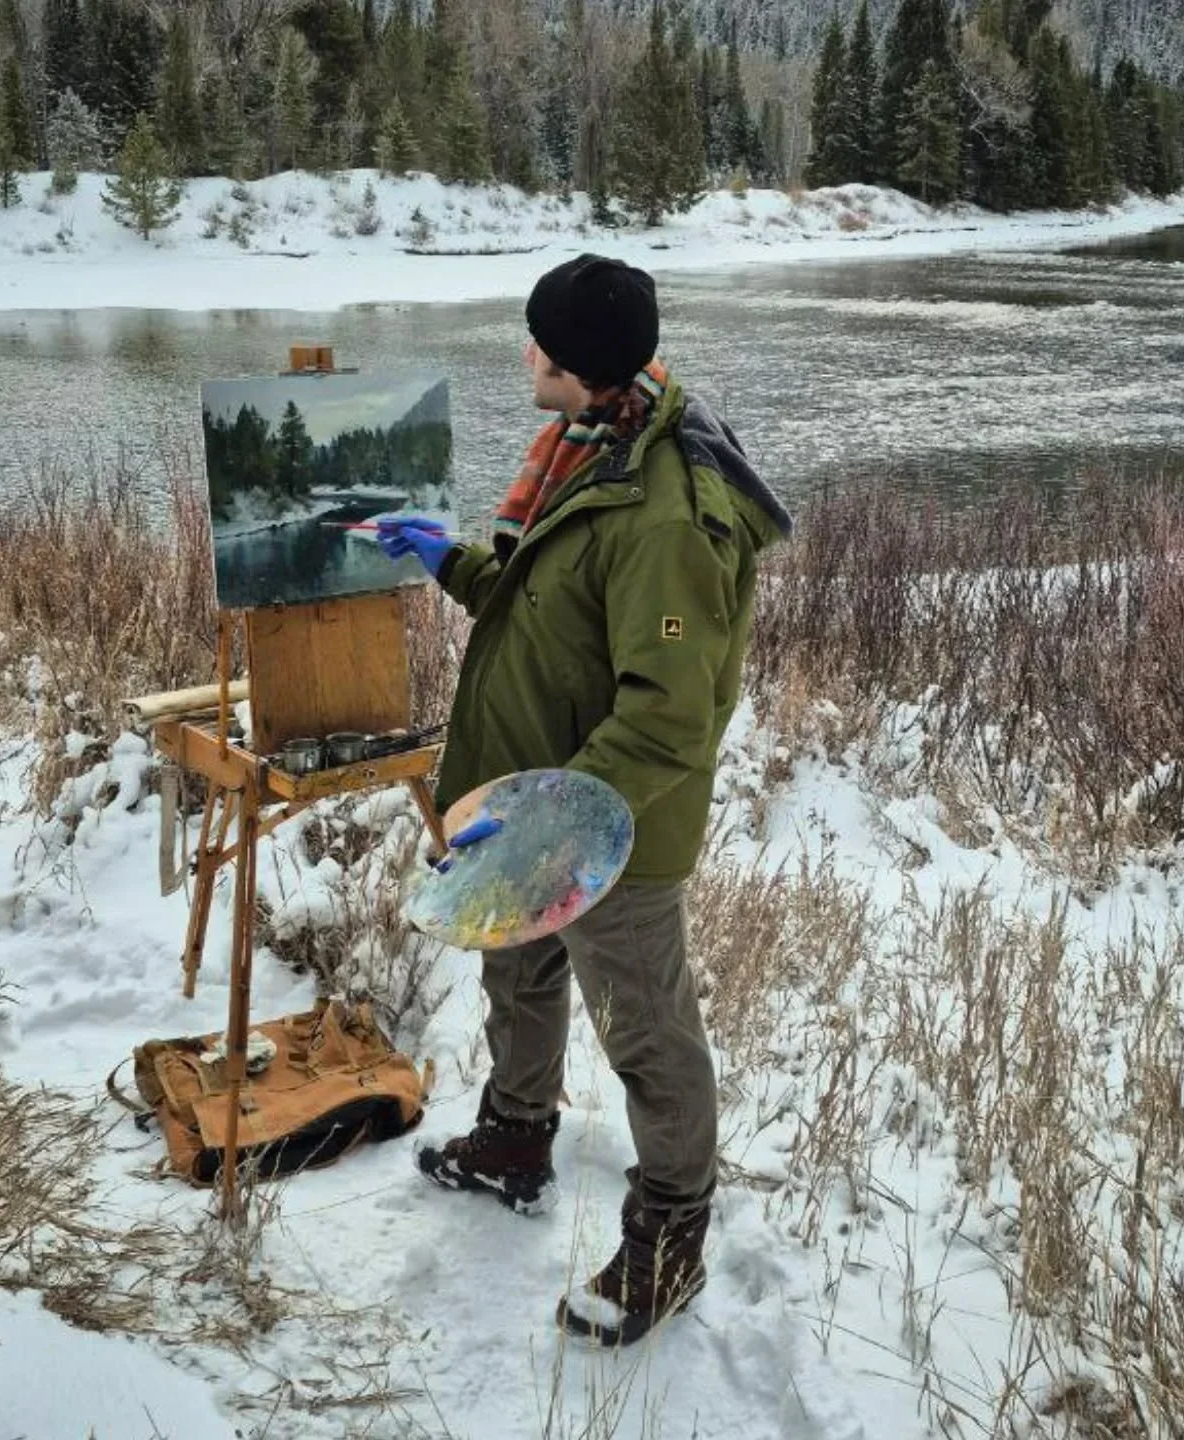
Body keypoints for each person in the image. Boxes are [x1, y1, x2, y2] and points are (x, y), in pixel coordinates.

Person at [376, 255, 791, 1347]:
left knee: (647, 1031)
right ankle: (517, 1138)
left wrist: (562, 816)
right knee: (518, 968)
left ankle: (672, 1237)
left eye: (540, 347)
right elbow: (548, 610)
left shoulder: (664, 519)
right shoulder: (589, 447)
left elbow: (667, 714)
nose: (525, 358)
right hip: (537, 798)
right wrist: (457, 565)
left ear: (581, 365)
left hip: (615, 827)